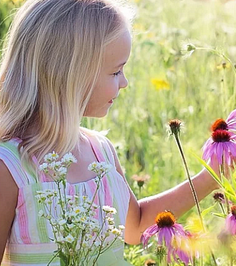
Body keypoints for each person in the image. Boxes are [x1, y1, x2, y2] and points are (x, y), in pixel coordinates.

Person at [0, 0, 219, 265]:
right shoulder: (11, 167)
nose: (124, 83)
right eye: (116, 71)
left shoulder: (100, 151)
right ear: (70, 75)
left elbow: (135, 227)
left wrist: (213, 176)